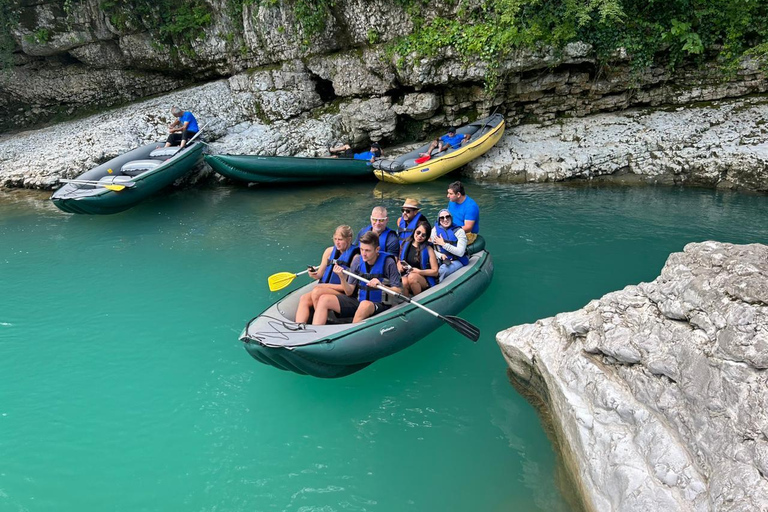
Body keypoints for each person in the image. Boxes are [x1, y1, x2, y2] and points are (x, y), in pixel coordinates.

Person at [312, 231, 402, 325]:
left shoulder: (389, 263)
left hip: (380, 303)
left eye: (367, 250)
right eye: (362, 249)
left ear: (377, 249)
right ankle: (317, 333)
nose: (363, 254)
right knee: (324, 299)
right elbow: (349, 291)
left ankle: (350, 332)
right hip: (358, 301)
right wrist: (342, 277)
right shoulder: (357, 261)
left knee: (364, 305)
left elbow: (398, 291)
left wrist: (381, 285)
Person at [295, 225, 359, 324]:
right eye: (335, 239)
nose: (337, 242)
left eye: (340, 239)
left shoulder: (355, 258)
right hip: (326, 288)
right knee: (304, 298)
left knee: (317, 291)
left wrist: (324, 286)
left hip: (344, 292)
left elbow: (349, 289)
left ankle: (324, 321)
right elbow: (319, 275)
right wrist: (313, 274)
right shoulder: (329, 252)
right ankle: (298, 326)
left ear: (349, 239)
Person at [397, 221, 438, 296]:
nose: (419, 236)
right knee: (403, 281)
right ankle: (407, 303)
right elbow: (399, 260)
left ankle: (419, 299)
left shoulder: (428, 249)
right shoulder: (404, 244)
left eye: (423, 235)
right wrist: (398, 264)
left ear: (426, 237)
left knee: (412, 277)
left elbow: (435, 272)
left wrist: (419, 272)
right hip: (407, 276)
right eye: (418, 232)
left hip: (423, 279)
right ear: (414, 231)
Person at [430, 209, 469, 282]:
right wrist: (440, 255)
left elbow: (460, 253)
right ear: (439, 220)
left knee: (442, 270)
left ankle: (438, 285)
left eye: (447, 217)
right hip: (441, 259)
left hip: (457, 260)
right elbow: (430, 249)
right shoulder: (434, 231)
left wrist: (443, 244)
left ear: (451, 218)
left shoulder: (459, 231)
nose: (445, 219)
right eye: (442, 218)